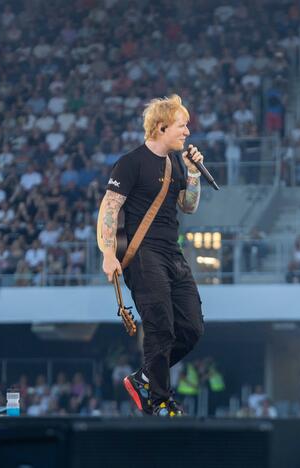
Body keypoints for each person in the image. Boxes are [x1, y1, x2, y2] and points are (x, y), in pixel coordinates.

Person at [97, 94, 205, 417]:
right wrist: (107, 253)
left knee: (192, 327)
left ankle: (145, 377)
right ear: (161, 127)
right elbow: (109, 209)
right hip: (144, 255)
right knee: (160, 326)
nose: (187, 132)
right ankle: (159, 401)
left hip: (173, 253)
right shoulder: (131, 163)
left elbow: (189, 206)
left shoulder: (176, 164)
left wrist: (194, 172)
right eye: (181, 125)